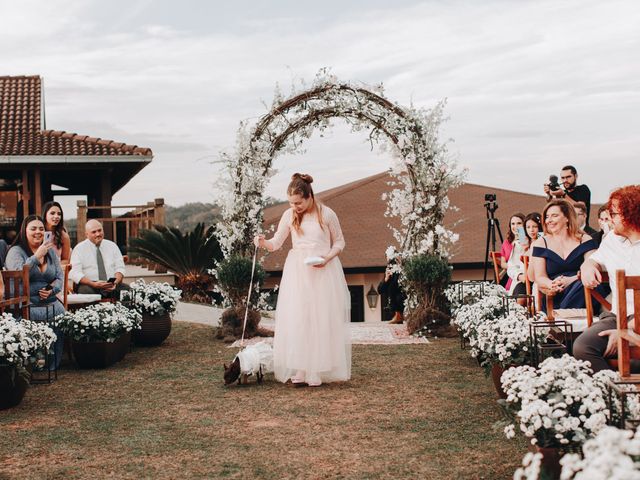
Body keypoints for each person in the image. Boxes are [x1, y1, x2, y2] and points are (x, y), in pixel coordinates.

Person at [254, 173, 351, 387]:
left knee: (319, 318)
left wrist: (326, 258)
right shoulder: (289, 215)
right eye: (290, 202)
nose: (294, 206)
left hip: (322, 270)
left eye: (298, 202)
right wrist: (263, 242)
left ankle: (315, 369)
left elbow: (340, 242)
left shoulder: (327, 214)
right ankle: (300, 367)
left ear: (309, 197)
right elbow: (276, 243)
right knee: (299, 318)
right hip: (297, 272)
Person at [573, 185, 640, 372]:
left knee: (631, 359)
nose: (610, 219)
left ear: (630, 214)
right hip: (617, 315)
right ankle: (610, 394)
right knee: (582, 348)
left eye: (614, 213)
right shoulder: (611, 239)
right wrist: (587, 267)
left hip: (637, 320)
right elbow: (594, 259)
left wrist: (626, 330)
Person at [5, 215, 65, 368]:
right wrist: (36, 256)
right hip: (26, 301)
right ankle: (35, 360)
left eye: (41, 228)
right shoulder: (15, 251)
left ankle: (52, 363)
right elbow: (18, 276)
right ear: (24, 232)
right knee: (39, 314)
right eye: (33, 228)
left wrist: (52, 289)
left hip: (49, 300)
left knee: (60, 312)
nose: (38, 232)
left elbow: (59, 276)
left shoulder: (50, 252)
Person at [531, 199, 598, 312]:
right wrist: (551, 284)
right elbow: (539, 276)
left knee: (583, 285)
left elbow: (592, 267)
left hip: (583, 289)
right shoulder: (541, 243)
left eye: (554, 216)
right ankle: (561, 315)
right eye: (547, 217)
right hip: (555, 294)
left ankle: (561, 315)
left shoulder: (585, 240)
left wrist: (571, 280)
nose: (549, 220)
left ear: (567, 217)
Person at [69, 219, 127, 298]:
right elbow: (75, 273)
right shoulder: (79, 249)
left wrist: (115, 283)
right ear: (87, 234)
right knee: (86, 293)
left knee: (129, 292)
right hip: (90, 285)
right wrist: (93, 284)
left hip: (111, 284)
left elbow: (120, 268)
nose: (98, 234)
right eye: (94, 232)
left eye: (100, 230)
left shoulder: (112, 246)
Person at [507, 212, 542, 300]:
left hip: (540, 279)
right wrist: (519, 276)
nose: (531, 230)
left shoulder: (544, 241)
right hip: (523, 279)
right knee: (521, 298)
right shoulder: (521, 242)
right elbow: (511, 267)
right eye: (528, 227)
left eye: (535, 226)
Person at [499, 213, 525, 290]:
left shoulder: (526, 240)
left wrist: (521, 234)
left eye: (519, 223)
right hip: (512, 273)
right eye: (513, 224)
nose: (515, 226)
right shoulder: (506, 242)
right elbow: (503, 264)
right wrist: (513, 266)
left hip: (524, 272)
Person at [377, 258, 406, 324]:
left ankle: (399, 316)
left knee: (394, 288)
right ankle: (398, 316)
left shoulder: (401, 274)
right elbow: (380, 290)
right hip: (392, 311)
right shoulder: (389, 275)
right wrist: (386, 279)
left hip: (401, 304)